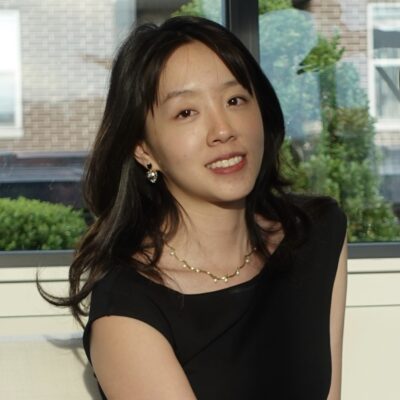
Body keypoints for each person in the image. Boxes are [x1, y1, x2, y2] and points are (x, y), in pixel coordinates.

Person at [42, 16, 347, 399]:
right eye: (186, 112)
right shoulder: (128, 308)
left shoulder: (315, 232)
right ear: (144, 150)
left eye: (235, 100)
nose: (223, 129)